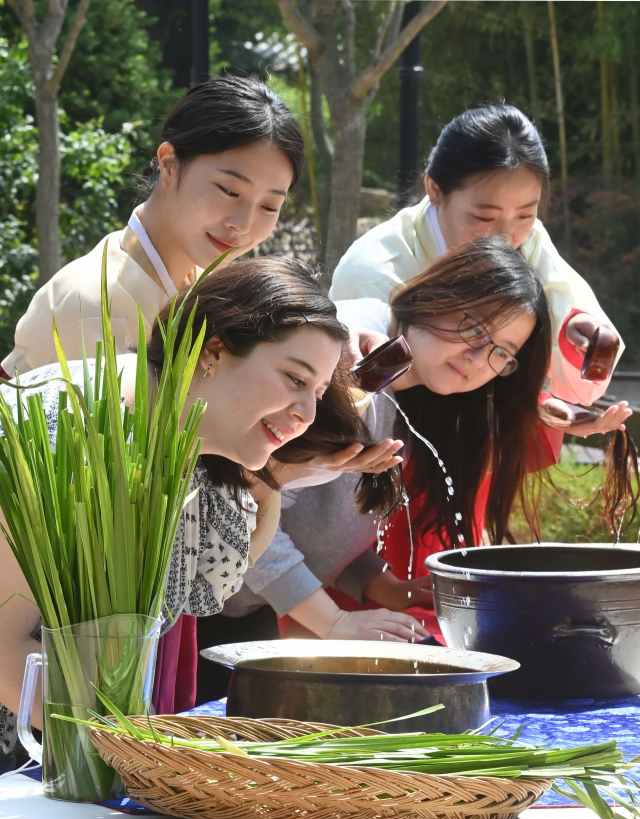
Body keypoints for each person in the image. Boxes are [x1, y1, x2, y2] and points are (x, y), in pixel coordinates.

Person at [0, 256, 399, 734]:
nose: (306, 413)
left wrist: (271, 479)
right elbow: (6, 647)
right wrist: (135, 749)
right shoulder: (59, 432)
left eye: (316, 390)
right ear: (212, 351)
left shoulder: (204, 441)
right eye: (295, 379)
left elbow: (208, 586)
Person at [212, 239, 638, 665]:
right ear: (435, 293)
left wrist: (381, 584)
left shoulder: (421, 393)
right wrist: (334, 622)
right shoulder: (348, 357)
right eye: (475, 330)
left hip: (238, 605)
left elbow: (313, 512)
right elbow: (239, 503)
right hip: (193, 602)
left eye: (502, 353)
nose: (477, 358)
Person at [330, 104, 630, 441]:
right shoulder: (375, 274)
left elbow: (567, 357)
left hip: (471, 445)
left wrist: (573, 332)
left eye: (526, 215)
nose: (505, 237)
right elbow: (367, 402)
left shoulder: (526, 240)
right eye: (484, 217)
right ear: (435, 190)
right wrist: (534, 408)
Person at [1, 74, 306, 378]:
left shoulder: (219, 289)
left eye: (269, 206)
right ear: (170, 163)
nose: (243, 225)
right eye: (230, 191)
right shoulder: (88, 304)